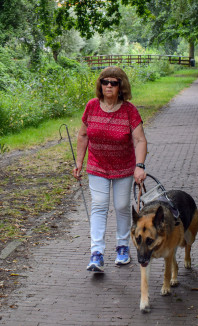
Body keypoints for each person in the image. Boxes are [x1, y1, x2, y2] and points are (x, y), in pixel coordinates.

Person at [73, 66, 147, 272]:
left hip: (123, 167)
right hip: (97, 165)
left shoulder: (129, 110)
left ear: (121, 86)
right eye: (105, 82)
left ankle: (122, 247)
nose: (108, 86)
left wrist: (140, 166)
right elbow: (83, 135)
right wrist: (79, 161)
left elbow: (140, 140)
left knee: (122, 206)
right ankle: (96, 253)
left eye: (113, 83)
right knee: (99, 205)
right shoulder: (92, 106)